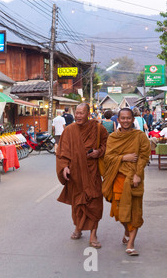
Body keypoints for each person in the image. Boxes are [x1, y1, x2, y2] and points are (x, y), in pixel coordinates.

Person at [56, 103, 108, 248]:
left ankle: (93, 234)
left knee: (95, 201)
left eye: (81, 113)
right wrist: (64, 166)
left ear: (87, 114)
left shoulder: (98, 129)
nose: (78, 116)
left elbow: (106, 144)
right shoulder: (69, 130)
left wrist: (99, 152)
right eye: (76, 113)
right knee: (78, 204)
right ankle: (78, 228)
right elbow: (63, 151)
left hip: (93, 172)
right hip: (76, 174)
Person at [102, 108, 150, 256]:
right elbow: (108, 158)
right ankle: (126, 230)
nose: (125, 121)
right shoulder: (113, 138)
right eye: (122, 118)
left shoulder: (140, 136)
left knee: (134, 210)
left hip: (134, 179)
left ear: (132, 119)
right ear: (119, 119)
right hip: (118, 178)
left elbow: (144, 156)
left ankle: (131, 244)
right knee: (119, 210)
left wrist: (137, 174)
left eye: (128, 118)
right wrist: (124, 158)